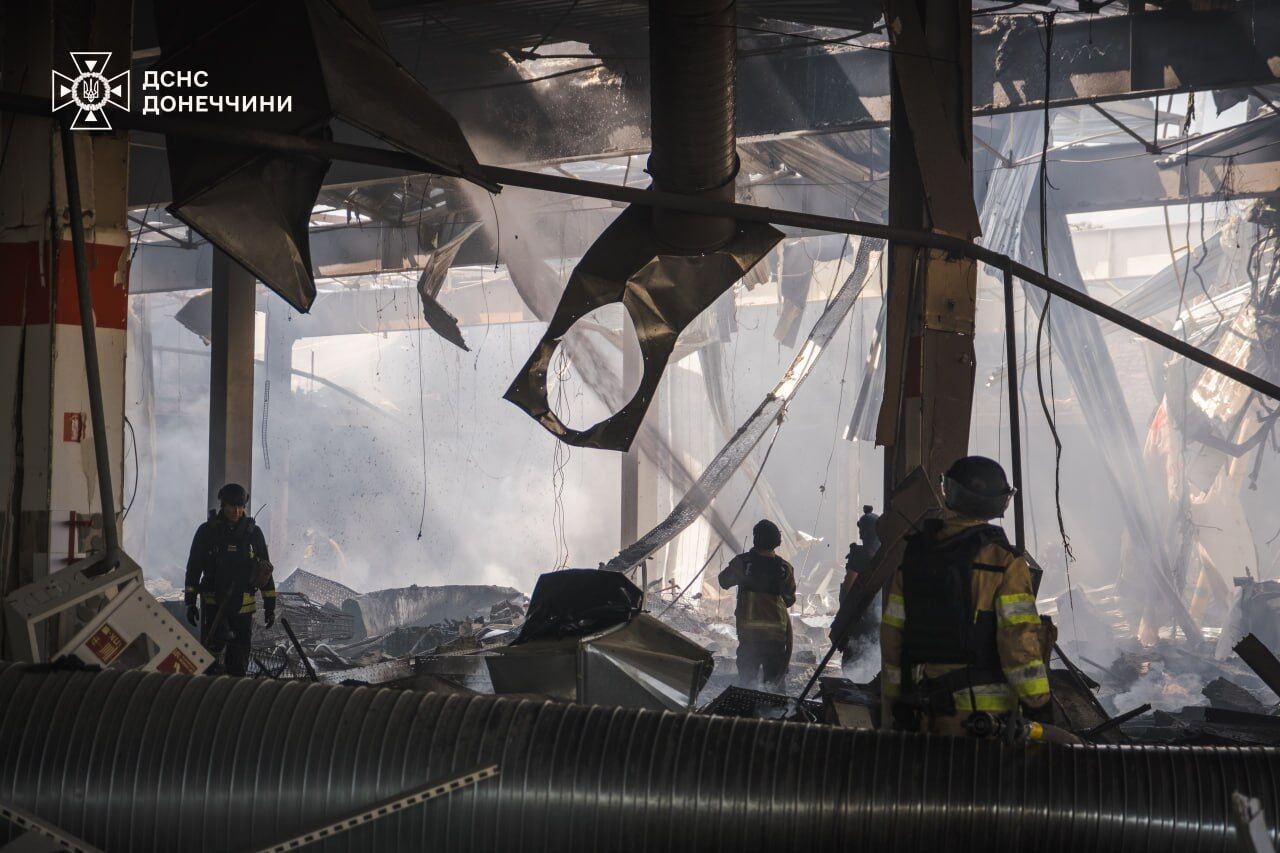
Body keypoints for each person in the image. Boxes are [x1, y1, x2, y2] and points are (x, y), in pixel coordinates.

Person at [880, 456, 1052, 736]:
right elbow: (1017, 640)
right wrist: (1039, 701)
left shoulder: (915, 557)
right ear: (1000, 502)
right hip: (983, 722)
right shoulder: (1004, 562)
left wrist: (893, 700)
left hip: (922, 711)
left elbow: (892, 635)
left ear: (949, 491)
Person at [184, 483, 276, 676]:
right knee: (211, 654)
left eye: (240, 506)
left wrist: (270, 605)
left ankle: (236, 695)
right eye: (231, 506)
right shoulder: (207, 532)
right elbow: (194, 567)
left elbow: (266, 570)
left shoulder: (254, 533)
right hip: (213, 604)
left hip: (243, 607)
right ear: (222, 505)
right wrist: (190, 602)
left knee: (239, 656)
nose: (236, 511)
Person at [718, 520, 797, 692]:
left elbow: (723, 581)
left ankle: (748, 715)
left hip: (750, 636)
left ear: (755, 539)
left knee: (747, 685)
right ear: (777, 541)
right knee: (775, 687)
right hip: (776, 638)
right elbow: (790, 599)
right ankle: (775, 716)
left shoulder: (743, 563)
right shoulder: (785, 568)